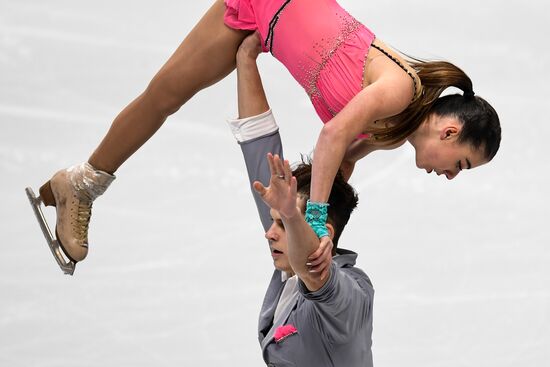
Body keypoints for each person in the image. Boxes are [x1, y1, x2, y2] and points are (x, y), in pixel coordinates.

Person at [28, 0, 501, 273]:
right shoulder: (400, 89)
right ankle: (84, 186)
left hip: (267, 26)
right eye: (461, 163)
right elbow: (331, 136)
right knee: (163, 96)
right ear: (450, 129)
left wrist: (310, 243)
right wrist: (312, 223)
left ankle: (77, 184)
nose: (452, 176)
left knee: (166, 96)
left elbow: (339, 165)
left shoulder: (393, 134)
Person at [230, 36, 373, 366]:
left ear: (326, 233)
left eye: (281, 223)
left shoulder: (350, 297)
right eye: (276, 221)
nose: (269, 232)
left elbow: (318, 276)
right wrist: (246, 59)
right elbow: (258, 149)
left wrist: (292, 219)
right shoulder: (291, 256)